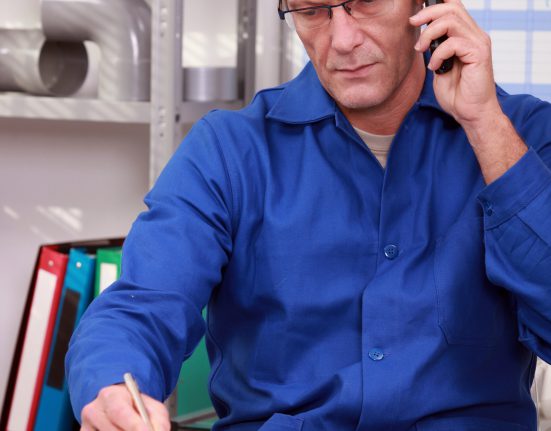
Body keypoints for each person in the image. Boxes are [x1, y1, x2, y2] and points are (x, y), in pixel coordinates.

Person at [66, 0, 551, 429]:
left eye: (364, 2)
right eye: (312, 10)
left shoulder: (523, 135)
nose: (342, 40)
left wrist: (485, 124)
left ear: (427, 6)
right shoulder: (229, 151)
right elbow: (143, 303)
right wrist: (111, 388)